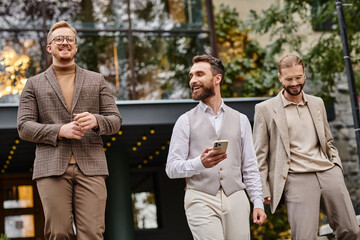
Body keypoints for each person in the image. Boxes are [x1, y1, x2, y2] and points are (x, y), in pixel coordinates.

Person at [17, 21, 122, 240]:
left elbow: (115, 120)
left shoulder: (97, 80)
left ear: (75, 47)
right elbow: (24, 127)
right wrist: (59, 131)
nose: (65, 42)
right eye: (59, 39)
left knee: (92, 233)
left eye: (69, 39)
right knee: (58, 233)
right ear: (49, 47)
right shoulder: (33, 84)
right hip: (51, 167)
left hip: (91, 166)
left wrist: (95, 120)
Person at [253, 54, 359, 240]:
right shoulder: (265, 109)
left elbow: (327, 140)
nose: (295, 83)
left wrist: (336, 166)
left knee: (351, 230)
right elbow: (260, 154)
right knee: (304, 237)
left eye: (298, 77)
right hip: (296, 178)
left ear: (304, 74)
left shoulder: (317, 103)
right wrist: (264, 189)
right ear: (279, 77)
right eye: (289, 79)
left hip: (327, 172)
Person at [166, 55, 266, 240]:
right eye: (191, 76)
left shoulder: (241, 120)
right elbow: (171, 169)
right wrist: (199, 163)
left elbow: (250, 167)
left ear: (217, 78)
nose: (193, 80)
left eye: (199, 74)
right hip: (200, 197)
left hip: (236, 196)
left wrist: (257, 202)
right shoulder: (184, 121)